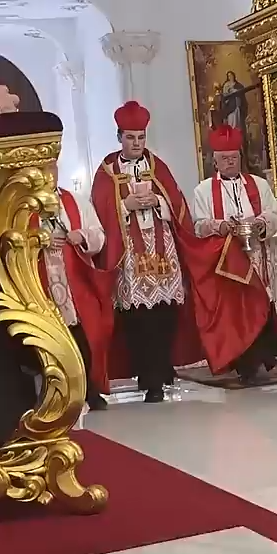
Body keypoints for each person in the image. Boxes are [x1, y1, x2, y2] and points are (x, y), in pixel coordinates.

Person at [91, 100, 203, 403]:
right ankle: (146, 373)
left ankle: (160, 371)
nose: (137, 143)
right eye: (130, 137)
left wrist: (158, 202)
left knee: (165, 312)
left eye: (141, 137)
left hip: (163, 250)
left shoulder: (157, 166)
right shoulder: (107, 170)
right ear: (119, 137)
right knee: (137, 318)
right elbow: (99, 207)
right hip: (129, 253)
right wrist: (125, 206)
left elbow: (177, 203)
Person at [191, 124, 277, 382]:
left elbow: (275, 214)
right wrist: (218, 226)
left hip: (256, 255)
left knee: (260, 302)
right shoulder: (203, 190)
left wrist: (261, 223)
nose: (230, 162)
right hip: (227, 262)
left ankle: (263, 357)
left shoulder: (259, 185)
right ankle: (245, 363)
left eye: (234, 157)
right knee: (236, 312)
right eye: (224, 159)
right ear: (215, 161)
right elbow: (198, 225)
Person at [38, 163, 112, 411]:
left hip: (76, 280)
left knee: (86, 336)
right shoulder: (24, 205)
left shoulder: (75, 201)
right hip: (43, 279)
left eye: (52, 168)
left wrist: (81, 236)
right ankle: (57, 393)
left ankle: (90, 389)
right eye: (42, 169)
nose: (48, 174)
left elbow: (99, 235)